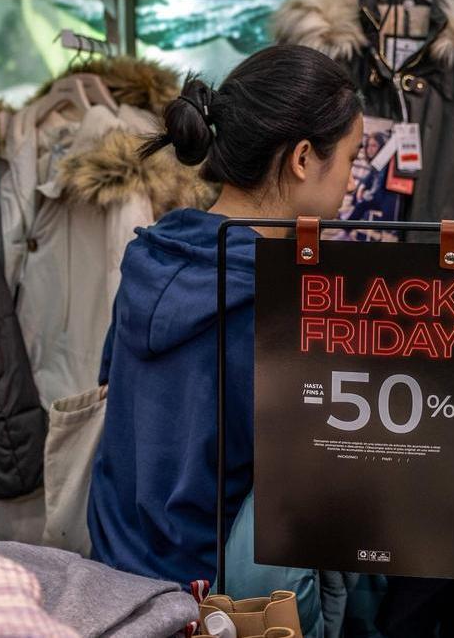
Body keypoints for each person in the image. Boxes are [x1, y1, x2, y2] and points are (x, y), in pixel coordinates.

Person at [86, 44, 363, 590]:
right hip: (219, 606)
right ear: (303, 158)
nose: (353, 181)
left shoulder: (150, 257)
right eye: (352, 158)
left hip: (114, 584)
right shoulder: (285, 303)